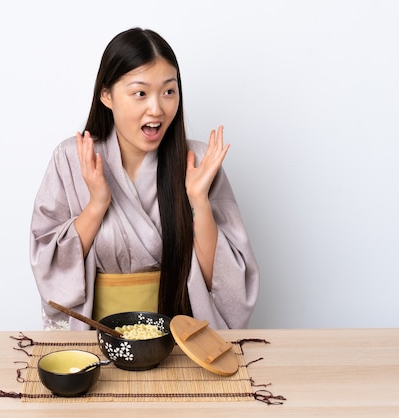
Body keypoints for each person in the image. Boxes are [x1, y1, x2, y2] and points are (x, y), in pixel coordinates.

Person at [30, 27, 259, 331]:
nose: (157, 108)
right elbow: (48, 261)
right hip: (96, 337)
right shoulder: (71, 159)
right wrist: (97, 205)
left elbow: (226, 284)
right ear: (107, 95)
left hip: (178, 338)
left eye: (168, 91)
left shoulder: (199, 163)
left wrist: (199, 202)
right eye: (140, 93)